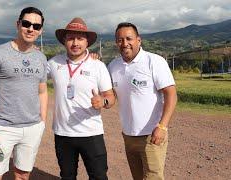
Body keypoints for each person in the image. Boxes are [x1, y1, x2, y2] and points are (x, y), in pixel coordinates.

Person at [0, 7, 47, 180]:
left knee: (22, 175)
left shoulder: (41, 58)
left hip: (32, 128)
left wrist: (42, 122)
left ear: (41, 30)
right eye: (27, 23)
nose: (31, 29)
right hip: (2, 129)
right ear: (18, 24)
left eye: (36, 26)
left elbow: (42, 91)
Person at [47, 17, 115, 180]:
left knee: (99, 176)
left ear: (87, 42)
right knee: (67, 176)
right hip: (63, 134)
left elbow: (110, 97)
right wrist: (31, 51)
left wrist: (103, 102)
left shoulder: (97, 65)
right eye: (70, 38)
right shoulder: (54, 63)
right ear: (64, 40)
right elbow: (33, 75)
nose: (75, 43)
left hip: (91, 133)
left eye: (80, 38)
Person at [108, 22, 177, 180]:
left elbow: (171, 94)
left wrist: (162, 126)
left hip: (152, 135)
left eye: (129, 38)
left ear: (139, 40)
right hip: (128, 135)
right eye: (120, 40)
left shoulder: (154, 61)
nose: (125, 43)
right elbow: (110, 94)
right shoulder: (113, 66)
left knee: (153, 177)